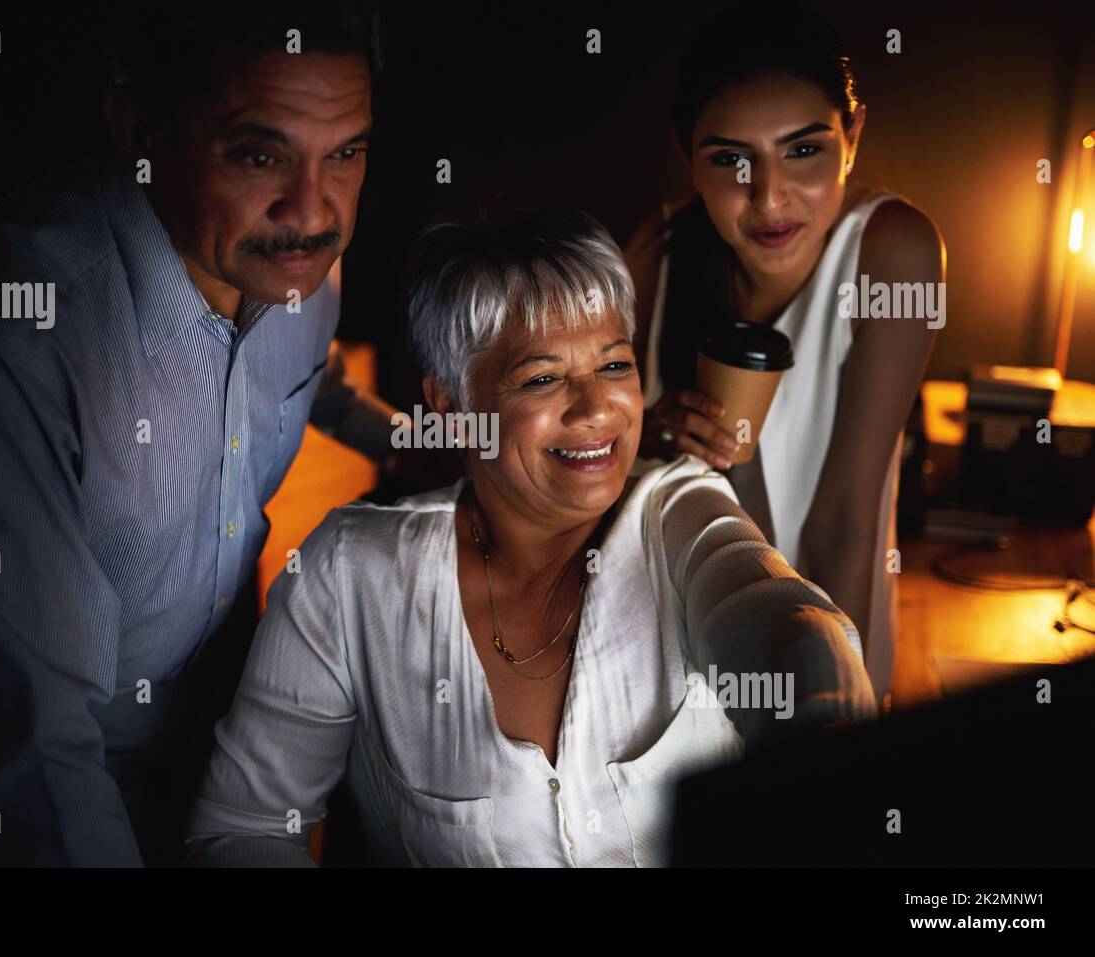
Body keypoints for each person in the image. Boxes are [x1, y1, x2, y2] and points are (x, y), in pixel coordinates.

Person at [184, 209, 877, 868]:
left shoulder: (681, 510)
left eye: (614, 364)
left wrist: (826, 732)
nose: (597, 407)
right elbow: (241, 829)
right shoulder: (350, 571)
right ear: (453, 406)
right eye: (543, 378)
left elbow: (784, 620)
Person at [0, 4, 397, 866]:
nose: (315, 209)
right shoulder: (8, 333)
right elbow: (35, 753)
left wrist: (420, 440)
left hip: (223, 747)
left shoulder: (295, 258)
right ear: (138, 129)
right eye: (259, 153)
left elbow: (318, 374)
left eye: (346, 153)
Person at [624, 3, 944, 704]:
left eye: (803, 150)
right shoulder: (656, 252)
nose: (769, 197)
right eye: (730, 160)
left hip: (832, 651)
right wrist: (646, 437)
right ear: (689, 158)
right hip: (664, 673)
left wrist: (832, 718)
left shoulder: (893, 252)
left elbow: (846, 514)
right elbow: (576, 480)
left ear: (851, 137)